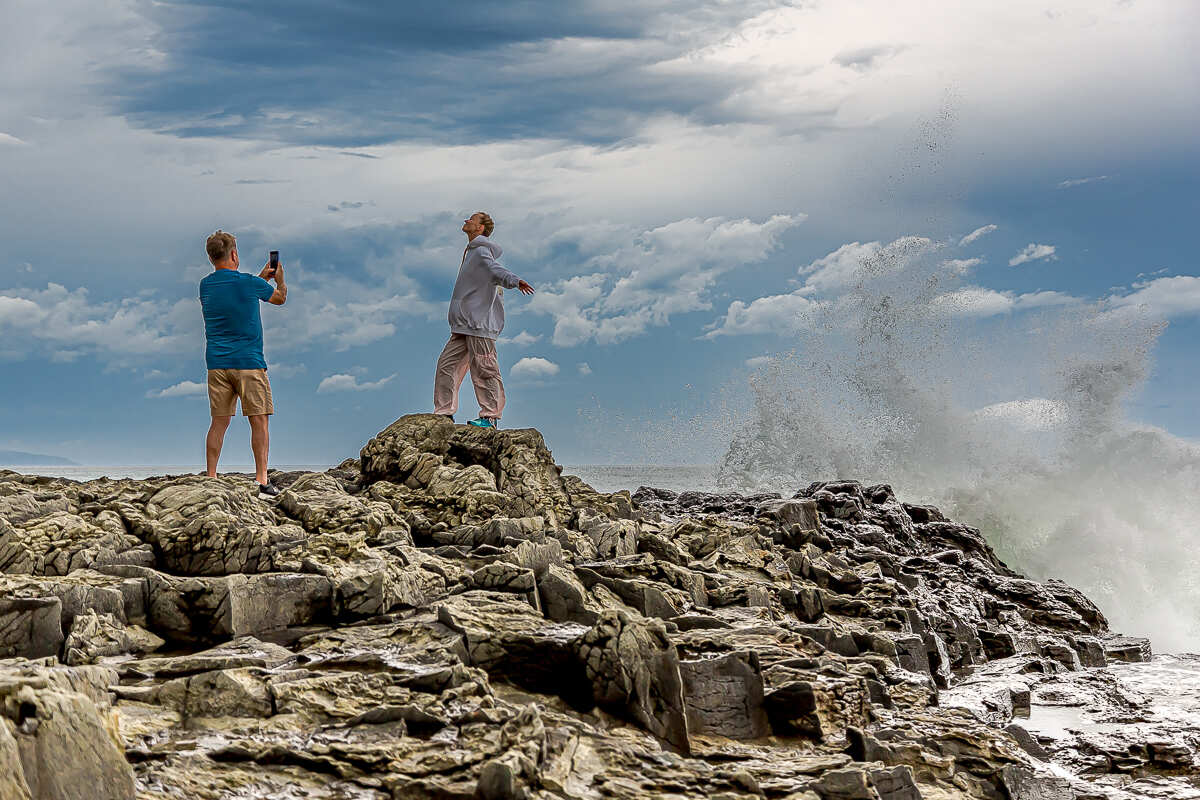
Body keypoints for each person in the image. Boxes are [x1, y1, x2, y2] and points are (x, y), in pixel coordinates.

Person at [199, 230, 287, 498]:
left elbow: (238, 295)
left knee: (218, 422)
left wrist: (260, 279)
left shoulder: (205, 285)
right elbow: (279, 298)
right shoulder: (249, 284)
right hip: (248, 362)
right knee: (259, 421)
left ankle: (211, 477)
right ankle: (262, 480)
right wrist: (279, 280)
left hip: (217, 363)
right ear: (234, 254)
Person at [433, 212, 534, 428]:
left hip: (479, 324)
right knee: (446, 365)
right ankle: (444, 413)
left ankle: (490, 418)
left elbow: (496, 270)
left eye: (471, 219)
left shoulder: (480, 251)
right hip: (464, 324)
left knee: (485, 369)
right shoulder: (472, 252)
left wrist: (515, 281)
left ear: (480, 229)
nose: (466, 221)